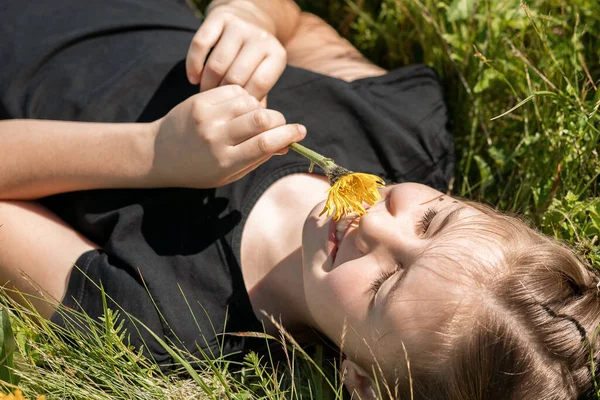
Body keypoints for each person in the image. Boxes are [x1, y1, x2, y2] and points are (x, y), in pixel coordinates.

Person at [0, 0, 598, 398]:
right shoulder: (399, 130)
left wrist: (150, 153)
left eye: (383, 286)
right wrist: (251, 15)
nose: (373, 225)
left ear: (361, 383)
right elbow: (299, 25)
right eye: (433, 219)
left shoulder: (168, 320)